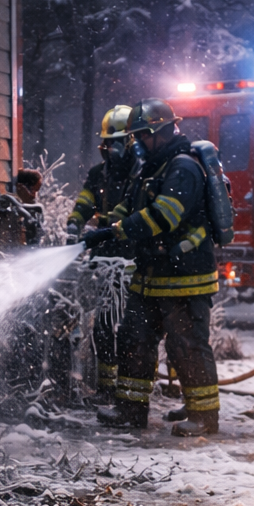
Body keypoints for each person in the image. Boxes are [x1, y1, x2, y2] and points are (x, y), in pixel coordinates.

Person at [82, 99, 220, 435]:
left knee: (186, 346)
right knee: (134, 338)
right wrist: (102, 229)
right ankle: (131, 410)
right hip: (151, 275)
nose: (138, 142)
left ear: (160, 131)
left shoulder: (183, 168)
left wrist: (117, 231)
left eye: (142, 135)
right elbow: (127, 207)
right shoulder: (150, 168)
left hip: (185, 276)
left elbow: (164, 216)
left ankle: (204, 417)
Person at [65, 106, 135, 401]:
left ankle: (129, 389)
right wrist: (73, 224)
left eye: (116, 143)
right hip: (103, 259)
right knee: (103, 327)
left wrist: (105, 229)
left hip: (132, 260)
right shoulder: (98, 174)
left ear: (130, 142)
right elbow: (85, 202)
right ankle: (107, 388)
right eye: (106, 144)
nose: (110, 150)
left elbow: (131, 212)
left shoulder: (142, 174)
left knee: (132, 331)